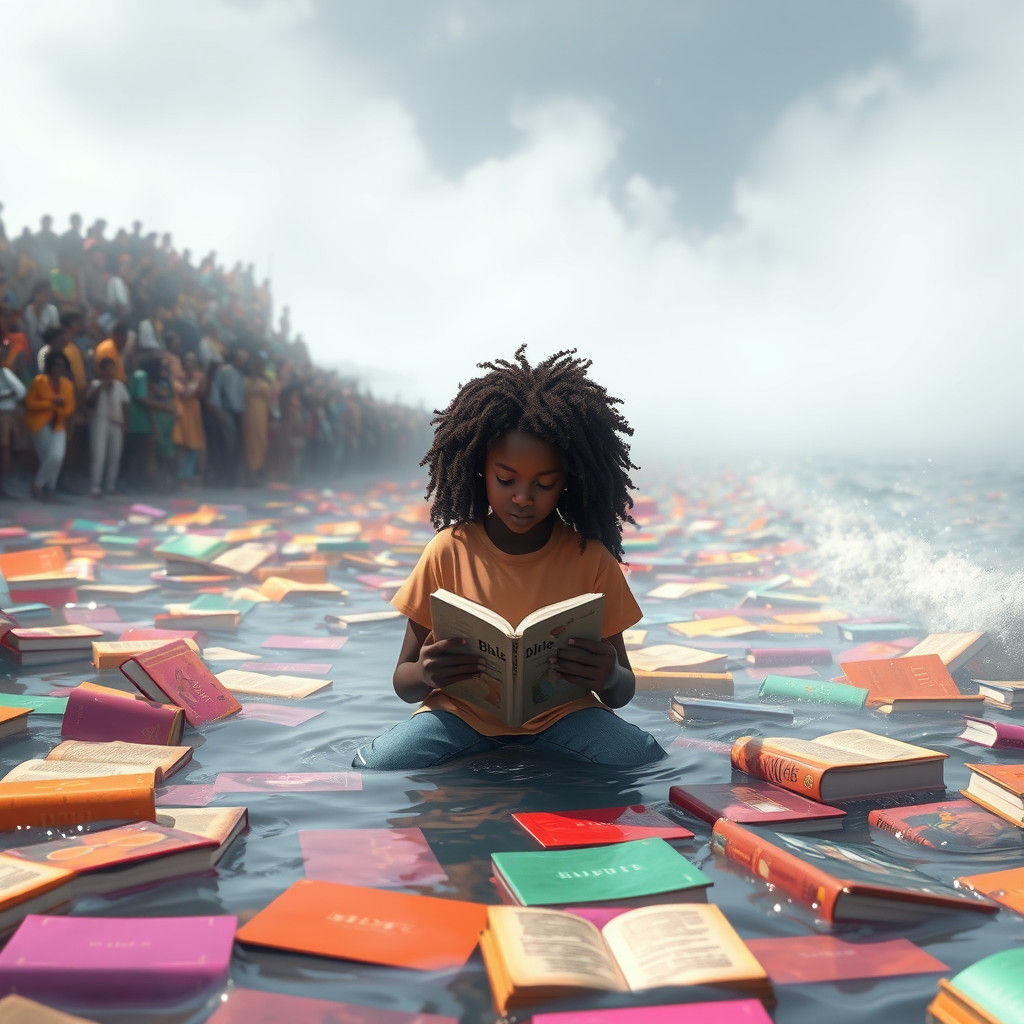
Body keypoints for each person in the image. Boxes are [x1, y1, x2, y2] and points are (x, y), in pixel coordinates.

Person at [353, 347, 665, 770]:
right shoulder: (447, 551)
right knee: (376, 764)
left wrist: (608, 676)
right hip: (460, 718)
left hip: (565, 718)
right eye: (506, 480)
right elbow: (403, 682)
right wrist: (426, 672)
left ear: (568, 484)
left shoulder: (590, 559)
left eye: (544, 483)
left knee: (641, 757)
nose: (522, 497)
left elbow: (622, 691)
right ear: (479, 471)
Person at [24, 346, 75, 500]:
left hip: (58, 424)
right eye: (56, 365)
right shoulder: (39, 381)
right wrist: (51, 403)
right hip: (39, 424)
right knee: (49, 457)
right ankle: (49, 491)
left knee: (57, 456)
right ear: (50, 366)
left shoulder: (67, 385)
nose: (59, 368)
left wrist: (61, 409)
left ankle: (38, 485)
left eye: (62, 365)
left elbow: (70, 406)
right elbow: (29, 403)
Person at [86, 356, 129, 497]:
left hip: (116, 422)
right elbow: (89, 401)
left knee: (114, 455)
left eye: (112, 368)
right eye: (107, 369)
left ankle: (110, 485)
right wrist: (101, 387)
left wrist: (125, 424)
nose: (110, 372)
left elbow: (125, 405)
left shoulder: (119, 385)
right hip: (100, 421)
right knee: (99, 454)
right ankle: (95, 486)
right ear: (102, 370)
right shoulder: (95, 384)